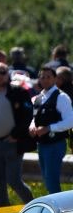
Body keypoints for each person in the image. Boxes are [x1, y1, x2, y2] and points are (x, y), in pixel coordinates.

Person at [0, 62, 35, 207]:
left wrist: (16, 135)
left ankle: (33, 207)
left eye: (2, 72)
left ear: (8, 74)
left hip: (12, 143)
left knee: (13, 180)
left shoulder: (18, 92)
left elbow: (27, 115)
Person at [30, 65, 73, 195]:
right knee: (47, 181)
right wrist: (32, 126)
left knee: (52, 182)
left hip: (55, 144)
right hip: (42, 145)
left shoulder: (61, 97)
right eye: (42, 77)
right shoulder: (38, 98)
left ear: (55, 79)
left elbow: (70, 121)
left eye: (48, 77)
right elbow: (34, 118)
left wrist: (49, 128)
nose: (45, 80)